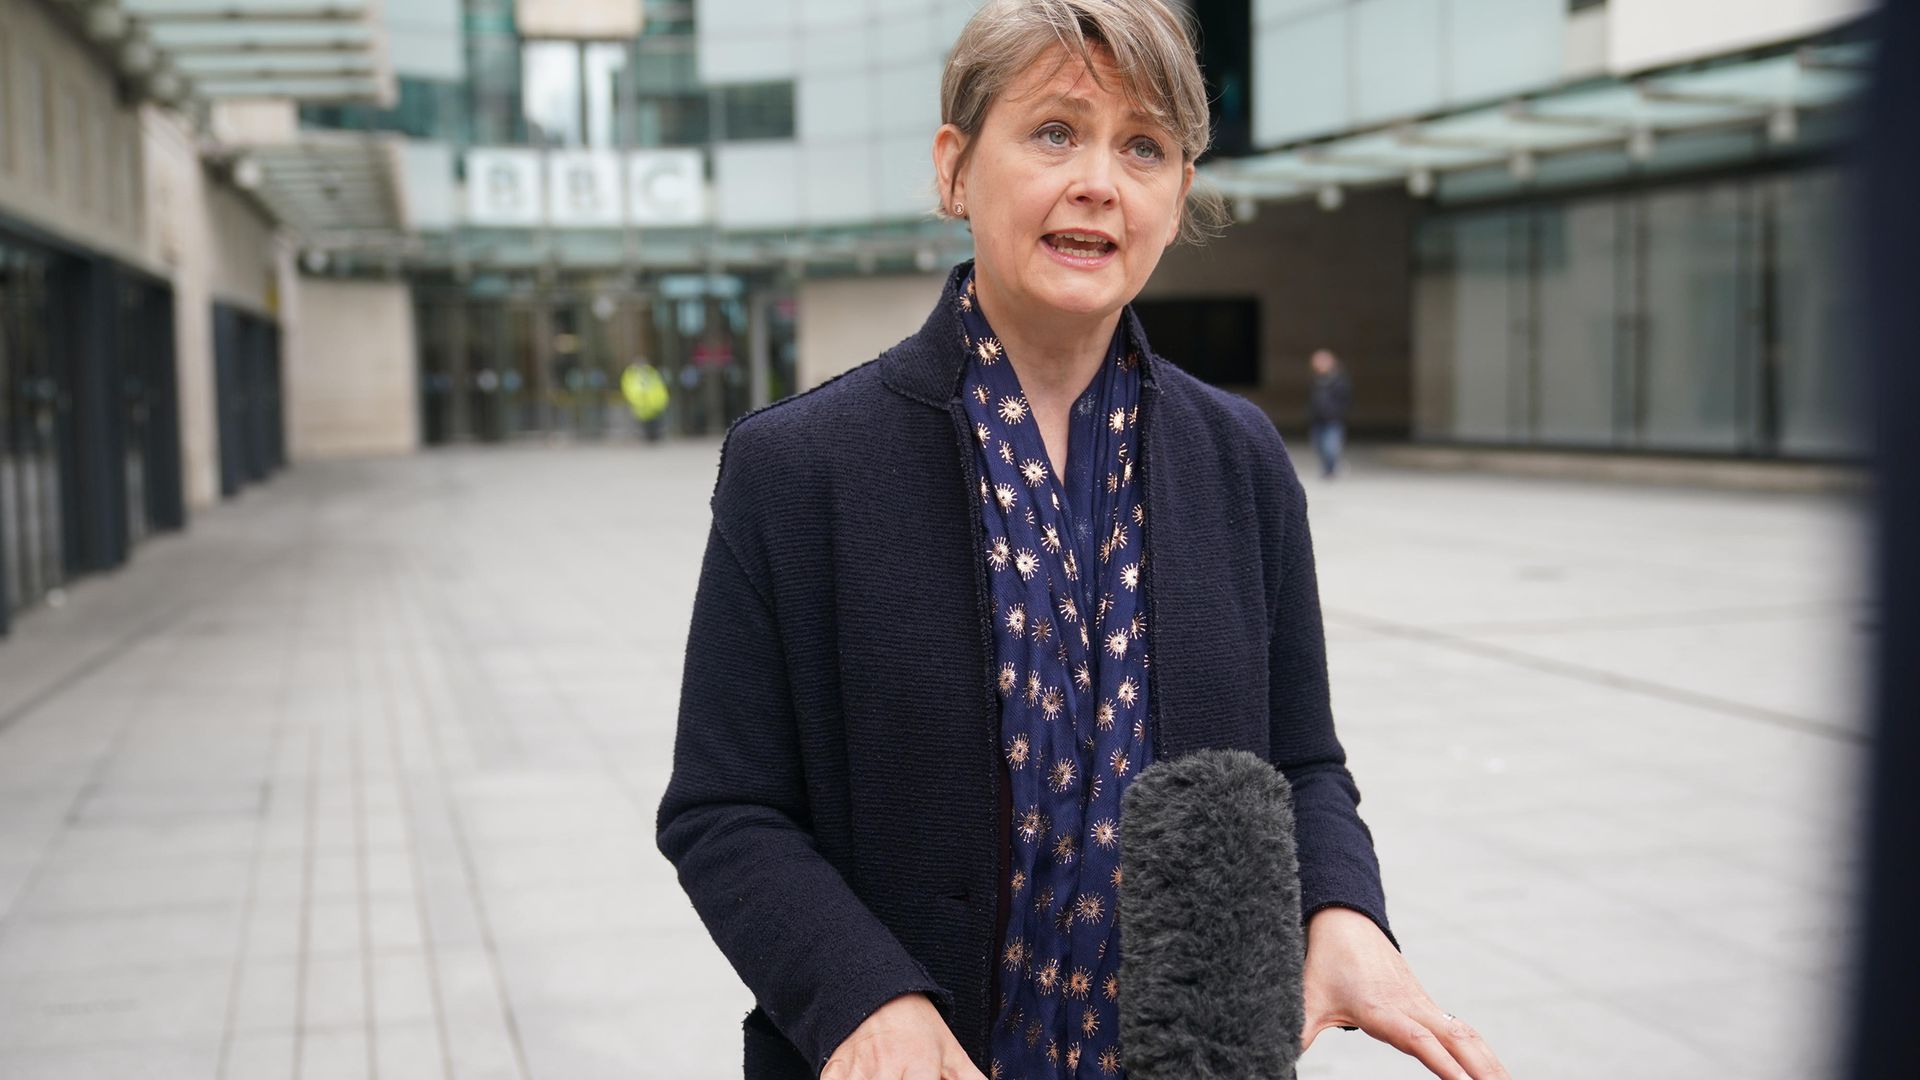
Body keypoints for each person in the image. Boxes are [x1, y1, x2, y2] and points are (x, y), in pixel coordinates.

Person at [656, 3, 1509, 1078]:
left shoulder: (1241, 460)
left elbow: (1303, 763)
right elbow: (725, 809)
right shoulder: (800, 468)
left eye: (1143, 146)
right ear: (956, 169)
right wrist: (865, 1001)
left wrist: (1345, 911)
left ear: (1177, 197)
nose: (1100, 180)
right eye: (1055, 131)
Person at [1308, 347, 1351, 479]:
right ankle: (1328, 469)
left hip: (1333, 419)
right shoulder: (1315, 380)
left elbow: (1345, 399)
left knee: (1330, 447)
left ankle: (1332, 470)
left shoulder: (1339, 380)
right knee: (1319, 446)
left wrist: (1336, 413)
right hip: (1317, 419)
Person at [620, 360, 670, 441]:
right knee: (645, 422)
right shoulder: (633, 375)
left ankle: (652, 436)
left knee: (654, 422)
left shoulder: (650, 373)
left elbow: (659, 387)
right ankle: (648, 436)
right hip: (641, 403)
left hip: (653, 402)